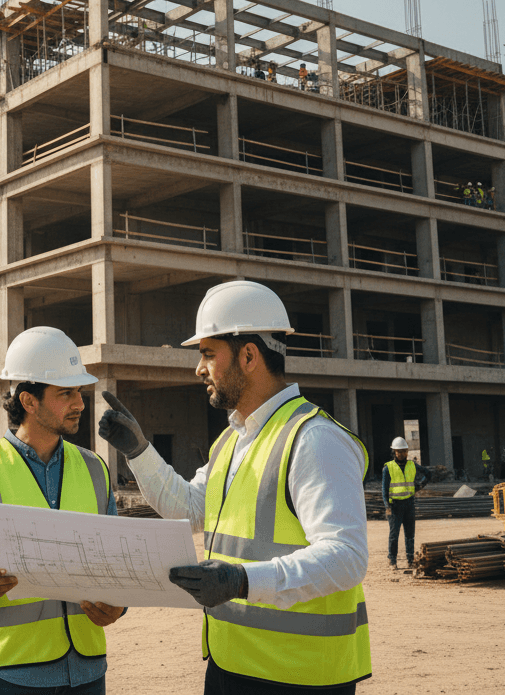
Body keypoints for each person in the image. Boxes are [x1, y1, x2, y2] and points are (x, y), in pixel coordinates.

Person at [97, 280, 371, 693]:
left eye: (207, 354)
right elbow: (190, 508)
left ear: (248, 355)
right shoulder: (233, 439)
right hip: (232, 665)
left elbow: (347, 557)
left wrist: (242, 581)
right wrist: (139, 451)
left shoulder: (313, 439)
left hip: (298, 676)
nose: (198, 368)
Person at [0, 326, 124, 694]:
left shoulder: (94, 469)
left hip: (87, 671)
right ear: (28, 401)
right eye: (66, 393)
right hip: (11, 674)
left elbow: (117, 563)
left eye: (80, 392)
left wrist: (119, 606)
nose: (80, 403)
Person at [382, 437, 428, 571]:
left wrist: (420, 485)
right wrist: (387, 507)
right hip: (395, 506)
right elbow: (384, 490)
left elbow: (428, 473)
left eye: (404, 451)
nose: (401, 454)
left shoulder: (412, 465)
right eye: (398, 451)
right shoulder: (388, 468)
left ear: (407, 451)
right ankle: (392, 560)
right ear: (394, 452)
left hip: (409, 504)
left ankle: (410, 560)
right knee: (394, 535)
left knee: (410, 534)